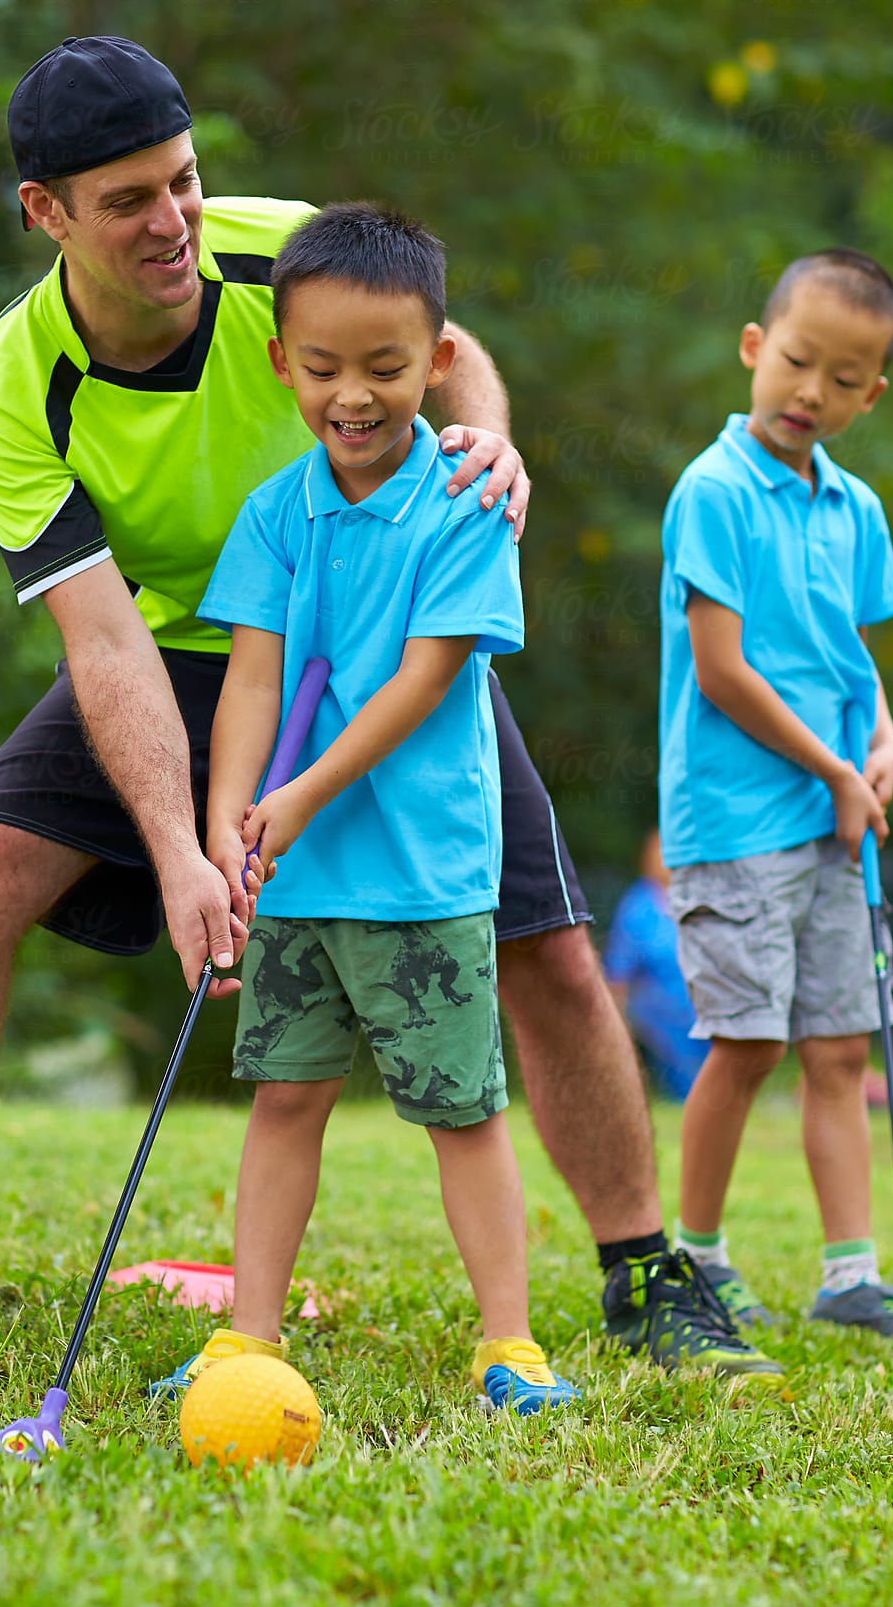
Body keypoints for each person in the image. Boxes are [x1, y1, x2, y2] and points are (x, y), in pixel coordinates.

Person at [0, 37, 763, 1383]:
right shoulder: (12, 384)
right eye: (126, 202)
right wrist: (184, 848)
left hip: (377, 638)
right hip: (169, 646)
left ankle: (647, 1271)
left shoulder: (271, 253)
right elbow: (103, 642)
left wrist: (494, 433)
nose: (172, 223)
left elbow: (444, 346)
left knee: (548, 944)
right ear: (43, 213)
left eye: (181, 181)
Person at [150, 202, 577, 1414]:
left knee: (461, 1108)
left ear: (439, 361)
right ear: (282, 361)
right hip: (299, 878)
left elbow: (424, 681)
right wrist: (227, 821)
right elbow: (252, 677)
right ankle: (249, 1333)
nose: (353, 395)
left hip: (419, 869)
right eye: (324, 367)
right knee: (285, 1097)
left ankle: (509, 1344)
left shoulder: (463, 501)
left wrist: (294, 795)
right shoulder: (278, 513)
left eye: (386, 368)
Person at [661, 247, 893, 1346]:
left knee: (840, 1048)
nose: (812, 393)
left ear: (872, 395)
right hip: (737, 820)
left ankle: (850, 1274)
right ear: (755, 349)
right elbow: (721, 669)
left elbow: (847, 655)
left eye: (844, 378)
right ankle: (700, 1258)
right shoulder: (713, 491)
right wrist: (829, 770)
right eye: (799, 363)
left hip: (835, 820)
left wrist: (881, 743)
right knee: (747, 1043)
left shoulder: (854, 506)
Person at [604, 829, 709, 1102]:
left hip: (707, 1007)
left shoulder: (705, 896)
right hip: (661, 1016)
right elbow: (618, 974)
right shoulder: (637, 907)